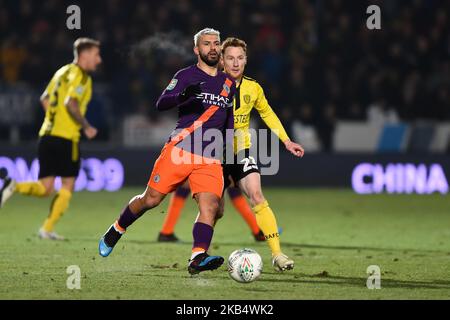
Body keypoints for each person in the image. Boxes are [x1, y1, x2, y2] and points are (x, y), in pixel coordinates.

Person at [98, 28, 236, 275]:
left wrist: (230, 153)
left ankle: (197, 257)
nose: (213, 48)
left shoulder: (228, 83)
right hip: (180, 149)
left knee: (211, 207)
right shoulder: (185, 75)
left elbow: (229, 120)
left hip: (210, 157)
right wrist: (184, 95)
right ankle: (117, 228)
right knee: (150, 200)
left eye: (216, 43)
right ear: (197, 50)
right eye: (207, 44)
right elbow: (162, 103)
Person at [0, 38, 101, 240]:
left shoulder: (61, 71)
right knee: (68, 185)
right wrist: (86, 126)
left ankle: (13, 185)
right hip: (66, 138)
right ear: (84, 55)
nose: (98, 60)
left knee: (45, 188)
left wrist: (55, 120)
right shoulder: (81, 77)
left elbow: (44, 99)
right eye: (95, 55)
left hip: (46, 135)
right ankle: (46, 228)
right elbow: (71, 102)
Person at [221, 37, 304, 271]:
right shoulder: (211, 85)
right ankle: (198, 254)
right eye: (230, 58)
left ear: (246, 60)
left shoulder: (253, 87)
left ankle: (277, 255)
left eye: (240, 58)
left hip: (241, 152)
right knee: (213, 210)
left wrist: (286, 141)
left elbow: (267, 113)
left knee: (257, 195)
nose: (236, 63)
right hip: (213, 154)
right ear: (222, 61)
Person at [157, 183, 266, 243]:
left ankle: (166, 232)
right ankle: (257, 231)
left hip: (203, 150)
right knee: (232, 186)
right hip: (209, 152)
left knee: (184, 187)